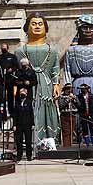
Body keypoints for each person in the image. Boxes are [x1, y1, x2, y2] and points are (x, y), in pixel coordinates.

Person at [63, 15, 93, 145]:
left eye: (91, 27)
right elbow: (66, 70)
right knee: (80, 115)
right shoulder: (70, 51)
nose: (88, 30)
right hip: (78, 85)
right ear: (78, 30)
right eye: (85, 27)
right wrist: (68, 89)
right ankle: (81, 140)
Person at [15, 14, 60, 146]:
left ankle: (50, 139)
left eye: (40, 24)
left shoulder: (52, 50)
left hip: (46, 85)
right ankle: (29, 141)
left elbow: (55, 69)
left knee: (47, 108)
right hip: (27, 86)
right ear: (27, 28)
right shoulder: (20, 51)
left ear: (45, 28)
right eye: (33, 24)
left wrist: (56, 84)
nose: (37, 26)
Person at [0, 43, 20, 113]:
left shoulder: (12, 56)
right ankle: (2, 113)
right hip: (1, 80)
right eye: (2, 48)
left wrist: (12, 69)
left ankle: (11, 112)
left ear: (7, 48)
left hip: (10, 80)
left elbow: (17, 66)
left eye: (4, 48)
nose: (3, 49)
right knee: (1, 97)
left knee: (10, 97)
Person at [11, 88, 35, 161]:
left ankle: (29, 155)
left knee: (28, 141)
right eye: (21, 93)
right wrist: (14, 125)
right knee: (19, 141)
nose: (22, 94)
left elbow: (31, 114)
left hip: (27, 124)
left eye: (23, 93)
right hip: (19, 124)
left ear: (26, 94)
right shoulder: (17, 102)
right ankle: (19, 156)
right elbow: (15, 115)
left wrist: (32, 124)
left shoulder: (29, 102)